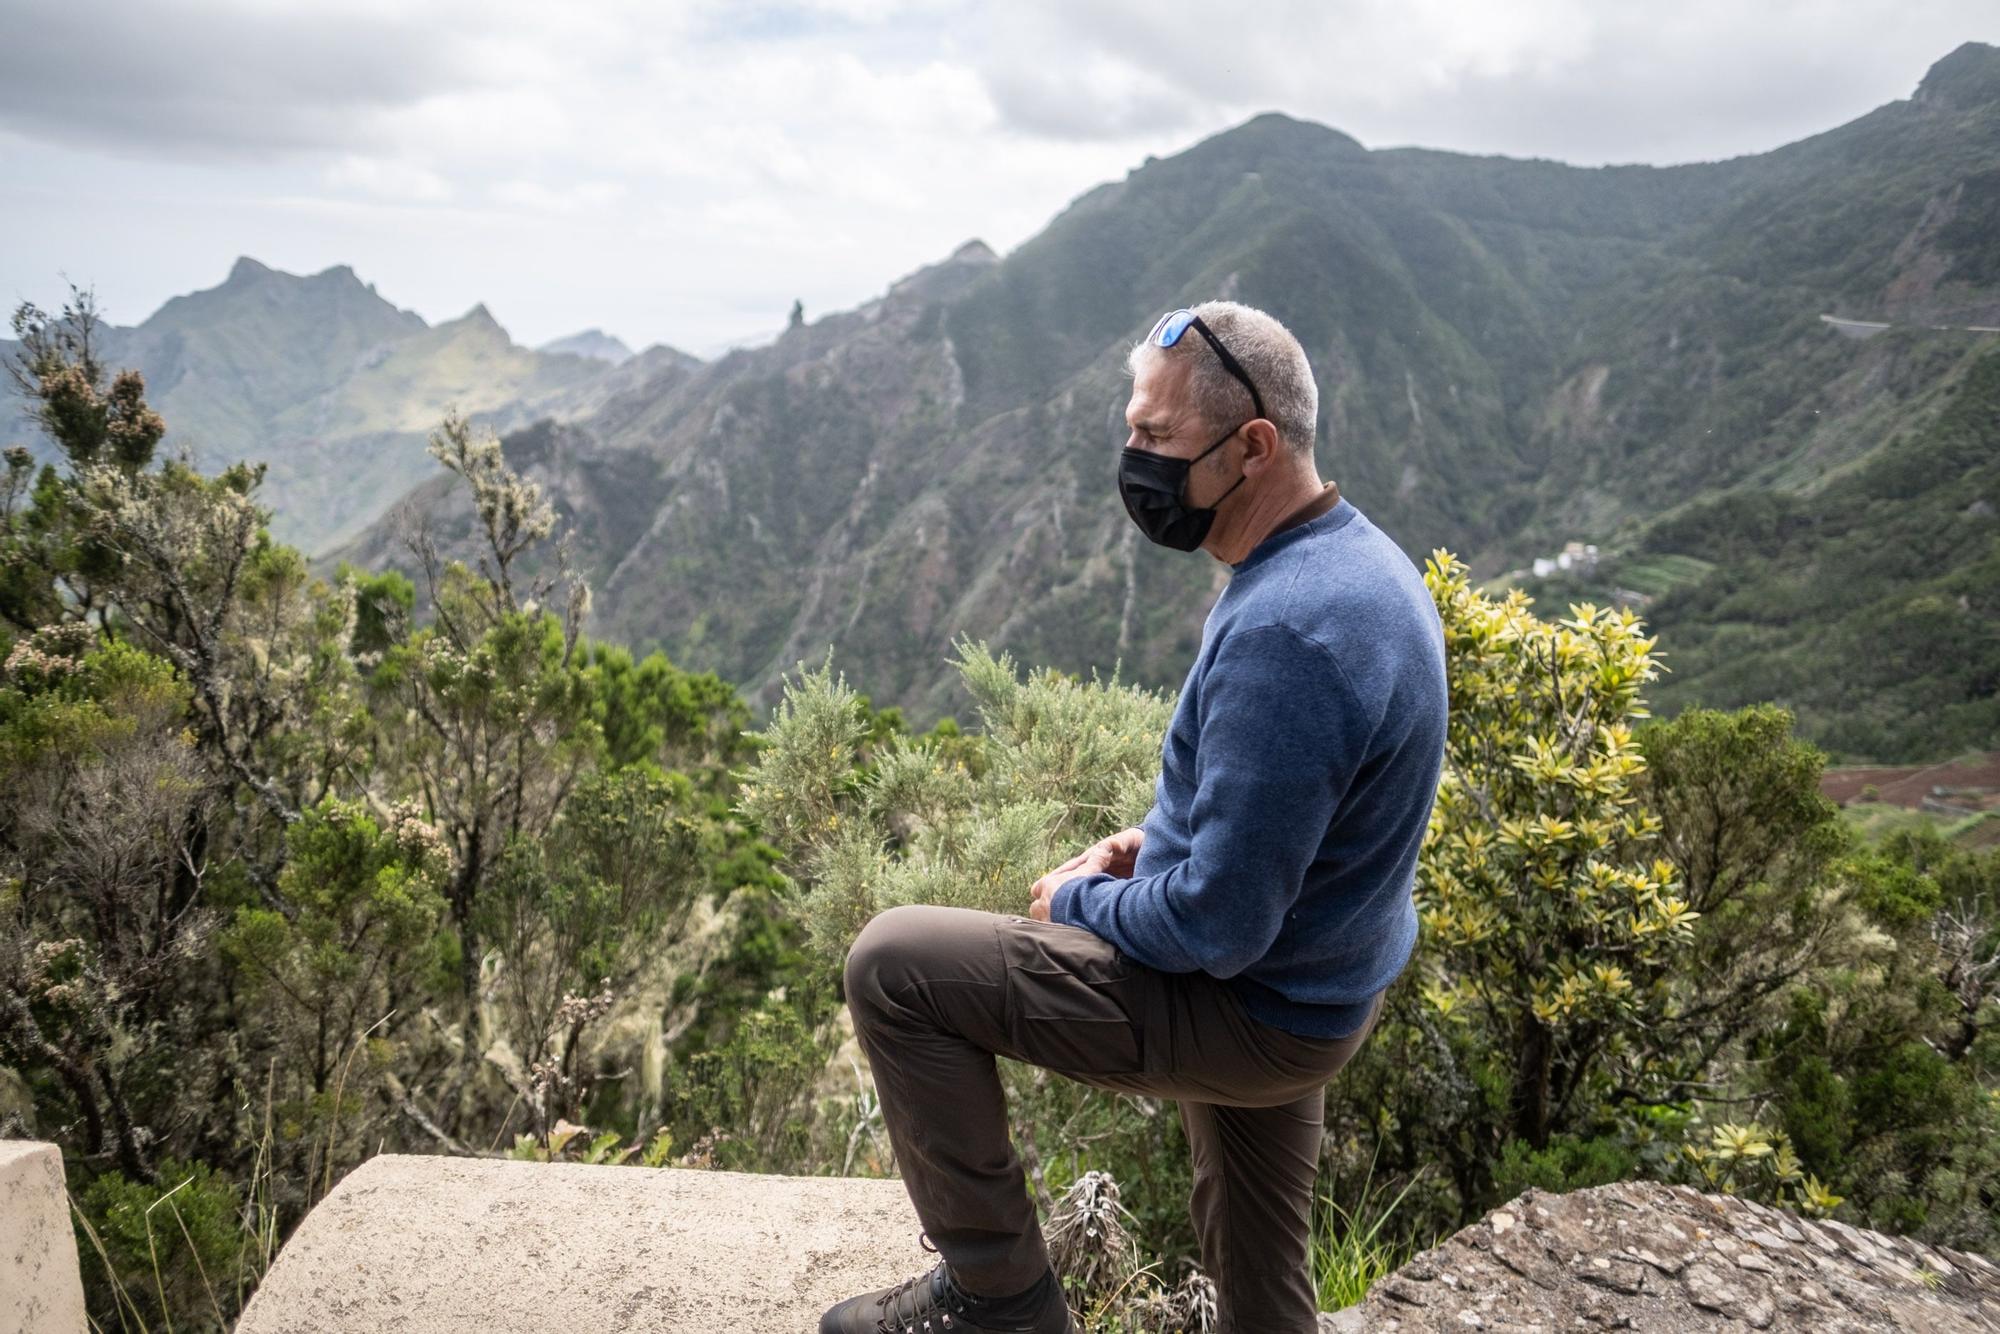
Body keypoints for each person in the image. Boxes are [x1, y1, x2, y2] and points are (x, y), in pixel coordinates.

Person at [819, 300, 1448, 1334]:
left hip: (1256, 1002)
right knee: (1260, 1272)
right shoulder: (1357, 564)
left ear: (1251, 446)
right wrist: (1155, 841)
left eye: (1155, 438)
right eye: (1130, 428)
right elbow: (1298, 801)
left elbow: (1212, 928)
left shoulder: (1288, 627)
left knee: (893, 963)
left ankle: (996, 1302)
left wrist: (1078, 896)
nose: (1133, 459)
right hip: (1323, 981)